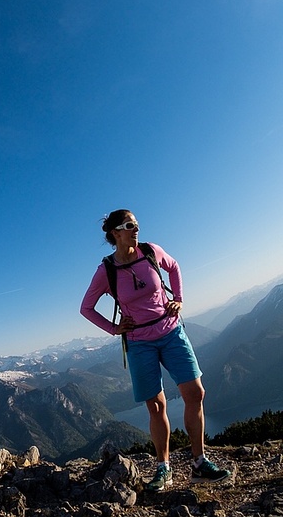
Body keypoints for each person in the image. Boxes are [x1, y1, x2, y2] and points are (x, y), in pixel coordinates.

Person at [80, 209, 231, 492]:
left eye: (136, 224)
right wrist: (114, 328)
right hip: (139, 342)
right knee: (157, 406)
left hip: (171, 331)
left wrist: (179, 300)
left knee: (195, 393)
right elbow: (85, 308)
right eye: (128, 225)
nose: (135, 229)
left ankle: (199, 463)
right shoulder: (106, 271)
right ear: (115, 233)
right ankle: (164, 469)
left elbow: (174, 267)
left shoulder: (150, 251)